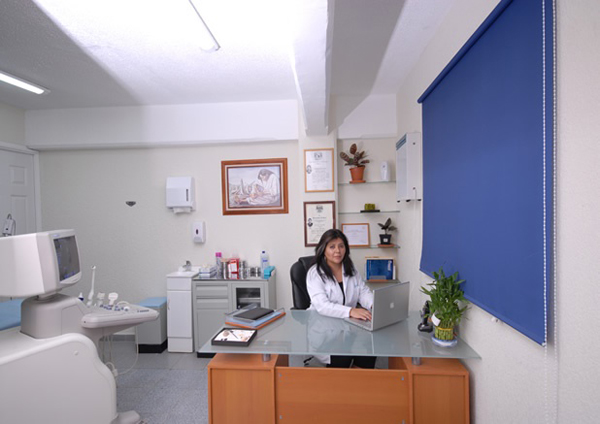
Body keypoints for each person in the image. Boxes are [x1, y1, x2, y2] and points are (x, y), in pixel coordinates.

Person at [306, 229, 376, 368]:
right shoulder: (315, 273)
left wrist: (374, 304)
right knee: (341, 356)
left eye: (341, 246)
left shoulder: (351, 269)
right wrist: (350, 311)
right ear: (323, 249)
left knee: (370, 349)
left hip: (348, 325)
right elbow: (322, 306)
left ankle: (360, 378)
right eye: (332, 247)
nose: (337, 251)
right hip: (324, 327)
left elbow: (362, 291)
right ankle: (340, 380)